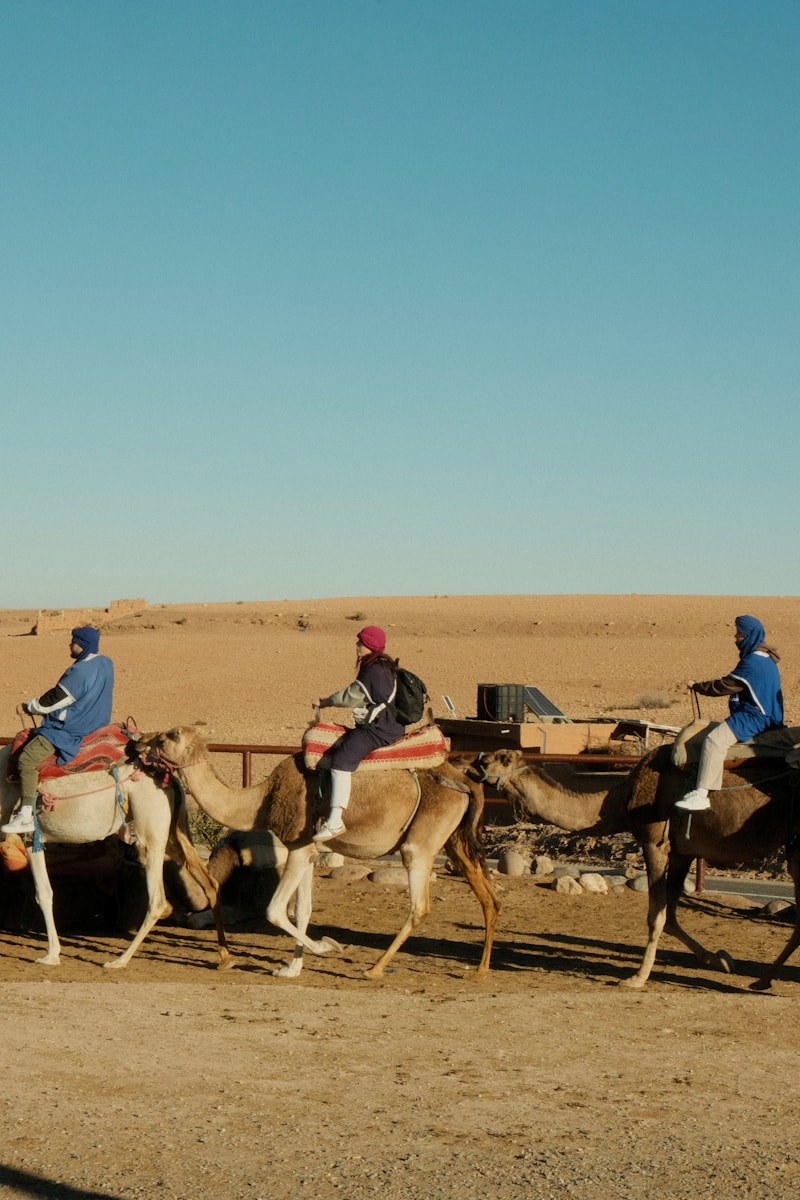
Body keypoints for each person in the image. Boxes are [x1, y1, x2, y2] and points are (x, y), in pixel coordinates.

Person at [2, 626, 115, 834]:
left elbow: (53, 700)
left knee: (26, 759)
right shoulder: (106, 663)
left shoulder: (79, 671)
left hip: (71, 729)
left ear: (82, 645)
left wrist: (29, 707)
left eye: (73, 641)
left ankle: (25, 815)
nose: (70, 645)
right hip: (97, 724)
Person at [675, 614, 784, 813]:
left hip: (755, 717)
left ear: (749, 635)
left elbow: (725, 685)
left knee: (714, 740)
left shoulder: (754, 662)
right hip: (761, 714)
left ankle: (701, 793)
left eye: (739, 635)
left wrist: (697, 686)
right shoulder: (765, 658)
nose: (736, 638)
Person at [311, 624, 405, 842]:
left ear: (370, 645)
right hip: (387, 726)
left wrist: (324, 702)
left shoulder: (374, 669)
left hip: (380, 730)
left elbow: (350, 696)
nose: (357, 646)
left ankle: (335, 820)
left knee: (342, 758)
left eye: (361, 642)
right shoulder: (381, 665)